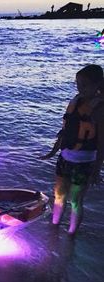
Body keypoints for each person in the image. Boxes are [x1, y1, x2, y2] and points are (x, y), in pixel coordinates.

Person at [40, 64, 104, 236]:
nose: (80, 88)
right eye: (78, 84)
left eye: (85, 85)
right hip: (65, 157)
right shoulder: (75, 102)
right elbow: (65, 131)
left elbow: (101, 143)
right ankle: (54, 228)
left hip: (84, 162)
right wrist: (52, 153)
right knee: (58, 195)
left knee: (75, 200)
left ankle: (71, 234)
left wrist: (97, 170)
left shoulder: (99, 109)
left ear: (98, 85)